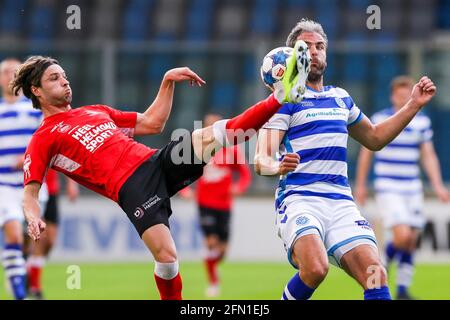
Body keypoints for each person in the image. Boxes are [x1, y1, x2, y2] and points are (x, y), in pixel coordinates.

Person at [15, 48, 308, 300]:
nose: (64, 81)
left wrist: (167, 80)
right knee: (167, 260)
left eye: (63, 75)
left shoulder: (94, 110)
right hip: (132, 188)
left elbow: (153, 123)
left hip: (155, 161)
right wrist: (32, 216)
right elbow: (30, 193)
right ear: (37, 91)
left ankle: (281, 97)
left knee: (212, 135)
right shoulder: (44, 137)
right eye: (54, 78)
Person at [254, 19, 437, 300]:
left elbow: (375, 138)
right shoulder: (284, 102)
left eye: (320, 46)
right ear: (293, 56)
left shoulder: (341, 99)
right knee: (315, 268)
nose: (314, 52)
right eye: (306, 47)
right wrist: (276, 165)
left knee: (376, 274)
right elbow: (262, 158)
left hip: (340, 202)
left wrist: (412, 105)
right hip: (300, 198)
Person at [354, 75, 450, 300]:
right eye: (400, 95)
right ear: (392, 97)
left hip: (412, 186)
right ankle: (381, 265)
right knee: (402, 236)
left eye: (407, 94)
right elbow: (366, 155)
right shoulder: (380, 119)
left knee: (411, 240)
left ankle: (403, 290)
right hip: (388, 186)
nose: (404, 98)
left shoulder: (421, 122)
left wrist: (437, 185)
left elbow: (428, 155)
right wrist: (360, 185)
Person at [180, 113, 252, 297]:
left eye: (215, 125)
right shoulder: (197, 150)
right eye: (208, 125)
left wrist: (239, 187)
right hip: (204, 203)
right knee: (211, 243)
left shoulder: (231, 150)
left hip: (224, 205)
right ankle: (213, 282)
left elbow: (245, 174)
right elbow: (179, 174)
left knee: (222, 251)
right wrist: (184, 190)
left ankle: (212, 265)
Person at [0, 57, 46, 300]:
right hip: (4, 185)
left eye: (13, 72)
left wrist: (27, 156)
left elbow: (45, 137)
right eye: (5, 71)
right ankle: (19, 294)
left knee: (30, 241)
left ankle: (17, 272)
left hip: (33, 185)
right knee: (14, 234)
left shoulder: (32, 109)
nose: (9, 75)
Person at [26, 169, 79, 299]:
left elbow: (64, 158)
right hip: (34, 191)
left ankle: (28, 271)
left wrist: (72, 183)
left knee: (50, 241)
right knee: (40, 238)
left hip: (52, 190)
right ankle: (35, 286)